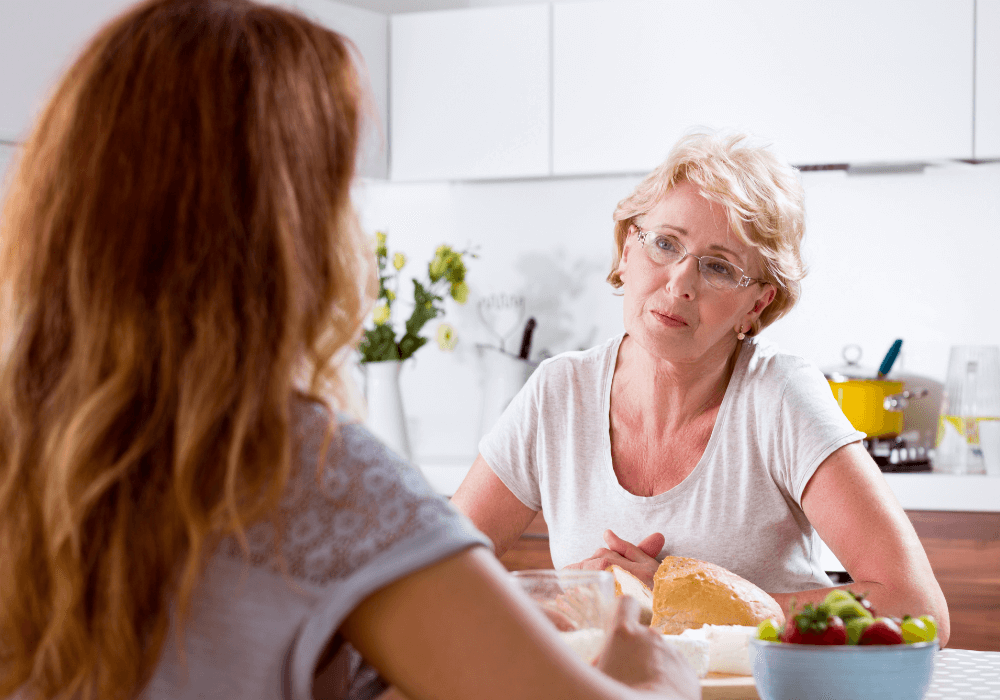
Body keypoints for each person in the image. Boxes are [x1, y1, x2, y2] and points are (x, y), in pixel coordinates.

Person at [0, 2, 702, 700]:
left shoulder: (26, 438)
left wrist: (487, 631)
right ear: (286, 232)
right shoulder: (306, 469)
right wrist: (655, 675)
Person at [451, 132, 951, 646]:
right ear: (628, 251)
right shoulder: (559, 392)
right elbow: (442, 571)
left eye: (719, 267)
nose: (680, 282)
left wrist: (680, 601)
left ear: (756, 305)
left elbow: (918, 608)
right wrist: (569, 599)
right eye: (665, 243)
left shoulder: (779, 396)